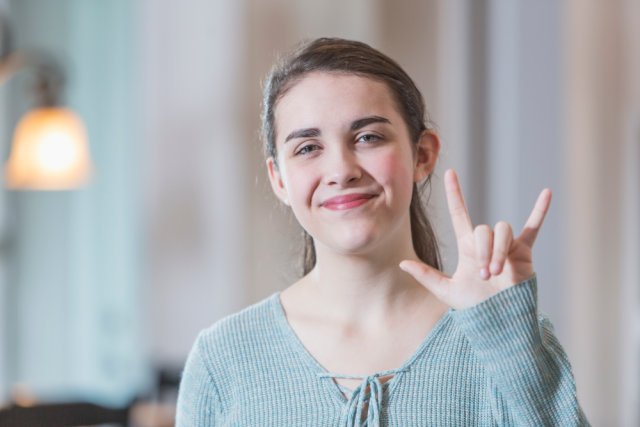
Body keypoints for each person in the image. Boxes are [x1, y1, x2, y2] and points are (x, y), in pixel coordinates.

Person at [175, 38, 590, 426]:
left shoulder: (504, 339)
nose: (341, 170)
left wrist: (507, 341)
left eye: (368, 137)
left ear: (422, 155)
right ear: (279, 179)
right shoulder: (222, 360)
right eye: (307, 148)